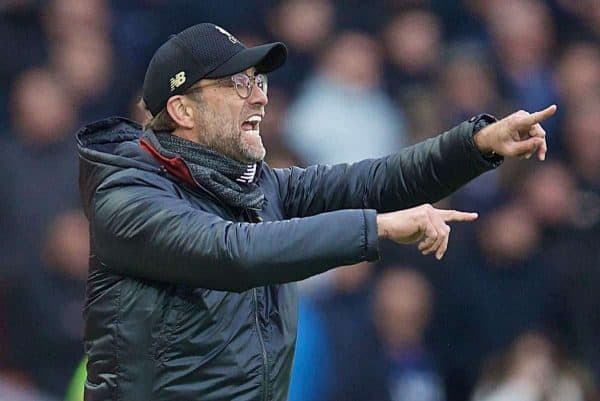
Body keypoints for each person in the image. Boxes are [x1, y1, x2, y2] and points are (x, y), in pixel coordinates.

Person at [76, 23, 556, 401]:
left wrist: (474, 145)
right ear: (183, 110)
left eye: (258, 81)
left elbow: (375, 180)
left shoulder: (258, 188)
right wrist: (378, 228)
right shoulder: (126, 194)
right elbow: (231, 253)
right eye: (238, 84)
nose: (261, 95)